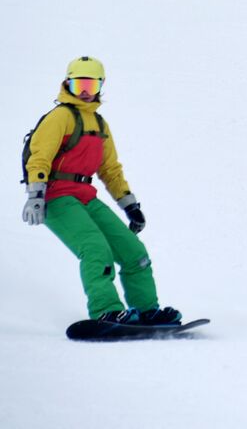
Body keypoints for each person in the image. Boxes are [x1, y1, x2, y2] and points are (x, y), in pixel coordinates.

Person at [21, 56, 181, 326]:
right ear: (67, 83)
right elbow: (39, 158)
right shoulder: (60, 117)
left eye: (91, 85)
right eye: (78, 83)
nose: (84, 91)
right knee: (96, 249)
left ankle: (146, 310)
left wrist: (130, 205)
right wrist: (35, 196)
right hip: (57, 197)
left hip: (85, 196)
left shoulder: (100, 124)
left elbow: (110, 170)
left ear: (100, 86)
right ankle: (106, 311)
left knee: (133, 252)